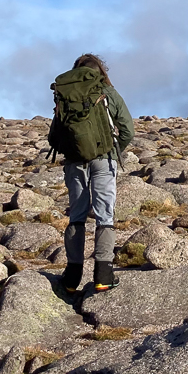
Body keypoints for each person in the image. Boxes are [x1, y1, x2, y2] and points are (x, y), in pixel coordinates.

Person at [48, 53, 134, 294]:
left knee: (76, 216)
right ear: (101, 70)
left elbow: (53, 136)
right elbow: (128, 129)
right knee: (104, 215)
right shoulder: (106, 91)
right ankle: (103, 274)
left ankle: (72, 276)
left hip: (75, 162)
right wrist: (113, 149)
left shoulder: (66, 92)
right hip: (104, 160)